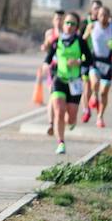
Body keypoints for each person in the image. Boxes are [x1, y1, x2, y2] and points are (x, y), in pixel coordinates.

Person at [42, 12, 92, 154]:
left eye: (73, 24)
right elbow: (48, 57)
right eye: (67, 23)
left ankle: (70, 122)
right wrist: (46, 64)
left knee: (70, 118)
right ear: (63, 24)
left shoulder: (80, 42)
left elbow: (89, 60)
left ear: (77, 27)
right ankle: (61, 143)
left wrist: (78, 62)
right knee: (59, 111)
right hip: (59, 79)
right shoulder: (56, 41)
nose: (69, 26)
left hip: (75, 82)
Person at [81, 5, 112, 128]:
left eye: (105, 15)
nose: (102, 17)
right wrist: (83, 53)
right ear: (97, 16)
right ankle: (93, 96)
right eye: (100, 15)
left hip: (107, 62)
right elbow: (82, 40)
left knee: (104, 92)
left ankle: (100, 117)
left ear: (109, 16)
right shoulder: (92, 26)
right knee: (95, 82)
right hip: (94, 60)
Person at [41, 10, 65, 136]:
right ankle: (51, 123)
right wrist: (46, 45)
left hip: (66, 69)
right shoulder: (49, 33)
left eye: (61, 19)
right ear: (53, 20)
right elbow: (45, 47)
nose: (59, 21)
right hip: (53, 67)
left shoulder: (68, 32)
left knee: (61, 98)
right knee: (52, 94)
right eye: (57, 19)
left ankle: (57, 119)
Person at [78, 0, 102, 114]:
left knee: (95, 82)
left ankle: (95, 96)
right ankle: (86, 109)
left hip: (99, 58)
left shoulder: (104, 23)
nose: (97, 10)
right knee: (86, 84)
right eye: (95, 8)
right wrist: (88, 31)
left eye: (99, 8)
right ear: (91, 9)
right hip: (86, 57)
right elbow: (80, 40)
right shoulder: (85, 23)